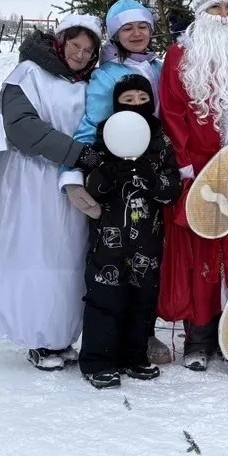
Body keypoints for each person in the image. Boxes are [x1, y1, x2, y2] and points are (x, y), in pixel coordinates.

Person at [0, 16, 102, 371]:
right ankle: (37, 337)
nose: (79, 55)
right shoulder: (29, 74)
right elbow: (21, 128)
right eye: (74, 46)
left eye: (87, 50)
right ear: (60, 42)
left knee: (69, 257)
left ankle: (61, 335)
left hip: (72, 178)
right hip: (30, 179)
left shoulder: (87, 82)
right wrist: (76, 153)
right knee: (35, 253)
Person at [157, 0, 228, 371]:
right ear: (201, 12)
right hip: (197, 170)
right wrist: (183, 166)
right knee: (199, 252)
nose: (223, 15)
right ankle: (198, 337)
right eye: (215, 7)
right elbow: (172, 110)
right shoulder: (181, 56)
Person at [58, 0, 169, 364]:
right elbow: (90, 126)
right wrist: (74, 175)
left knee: (146, 271)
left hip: (153, 180)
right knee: (109, 272)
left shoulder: (162, 66)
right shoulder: (106, 74)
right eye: (127, 28)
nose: (136, 33)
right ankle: (101, 348)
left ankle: (139, 341)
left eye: (142, 26)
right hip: (115, 184)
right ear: (116, 33)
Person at [78, 75, 181, 388]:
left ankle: (134, 356)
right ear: (116, 105)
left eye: (141, 99)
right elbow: (91, 188)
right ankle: (98, 361)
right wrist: (107, 173)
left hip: (147, 241)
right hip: (108, 240)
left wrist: (151, 176)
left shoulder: (160, 142)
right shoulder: (105, 137)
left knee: (142, 300)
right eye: (128, 100)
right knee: (104, 299)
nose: (136, 105)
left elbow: (171, 190)